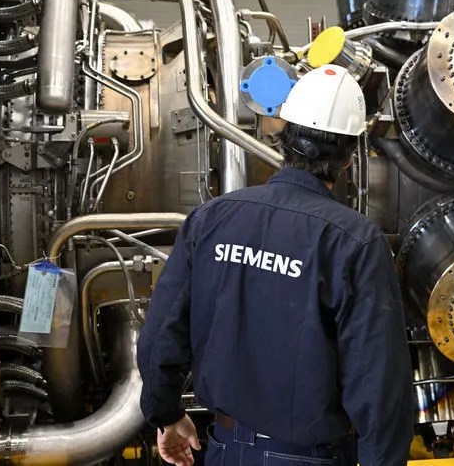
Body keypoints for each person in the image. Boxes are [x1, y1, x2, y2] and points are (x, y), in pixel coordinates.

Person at [137, 64, 413, 466]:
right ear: (349, 159)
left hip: (224, 450)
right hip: (309, 458)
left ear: (283, 138)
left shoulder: (211, 218)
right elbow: (378, 383)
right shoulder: (355, 242)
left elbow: (162, 332)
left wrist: (165, 414)